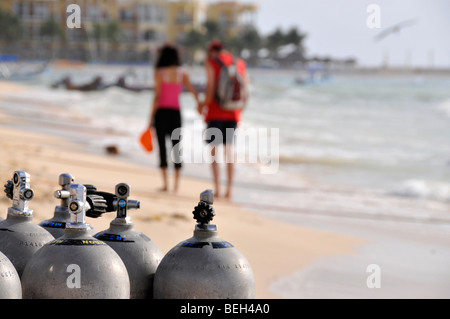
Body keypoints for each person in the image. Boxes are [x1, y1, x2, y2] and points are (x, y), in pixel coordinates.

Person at [198, 41, 250, 200]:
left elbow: (211, 88)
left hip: (215, 113)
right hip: (233, 113)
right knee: (229, 150)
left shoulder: (211, 62)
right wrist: (240, 112)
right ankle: (229, 189)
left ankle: (218, 189)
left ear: (212, 51)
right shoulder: (239, 63)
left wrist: (202, 105)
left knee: (214, 151)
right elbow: (246, 91)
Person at [149, 44, 199, 193]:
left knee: (162, 148)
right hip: (175, 114)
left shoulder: (160, 73)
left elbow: (157, 97)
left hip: (161, 113)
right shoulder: (182, 73)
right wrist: (201, 105)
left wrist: (150, 118)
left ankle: (166, 185)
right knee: (176, 148)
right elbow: (193, 91)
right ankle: (176, 185)